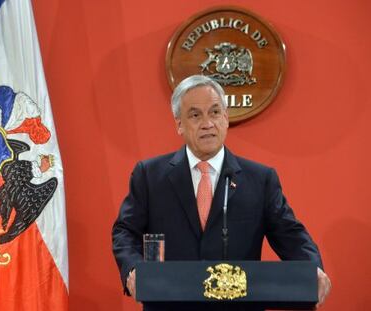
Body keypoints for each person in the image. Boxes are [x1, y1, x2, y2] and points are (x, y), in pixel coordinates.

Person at [112, 75, 331, 311]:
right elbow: (125, 231)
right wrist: (133, 269)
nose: (207, 123)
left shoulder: (260, 179)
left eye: (215, 112)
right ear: (179, 124)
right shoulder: (149, 175)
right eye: (195, 115)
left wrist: (312, 269)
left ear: (226, 118)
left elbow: (290, 234)